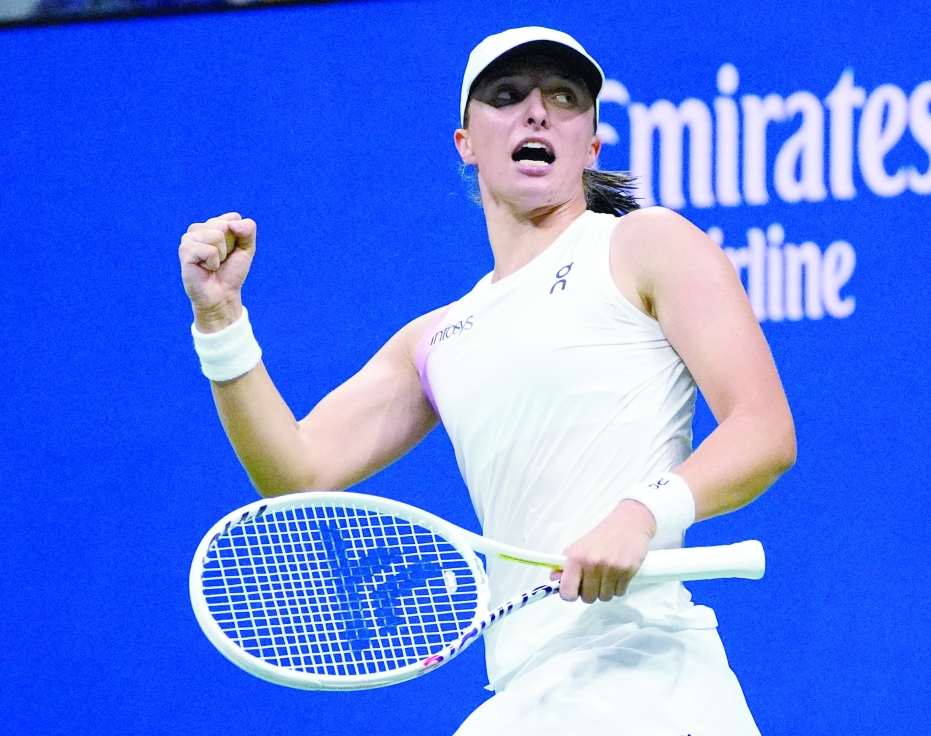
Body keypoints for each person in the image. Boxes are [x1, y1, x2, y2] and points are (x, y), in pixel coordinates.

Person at [178, 26, 795, 735]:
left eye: (564, 98)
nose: (537, 112)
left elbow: (764, 429)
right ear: (466, 143)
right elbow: (297, 471)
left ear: (591, 147)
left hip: (652, 683)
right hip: (527, 693)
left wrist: (644, 512)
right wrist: (222, 320)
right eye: (507, 96)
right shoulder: (437, 339)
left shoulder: (642, 246)